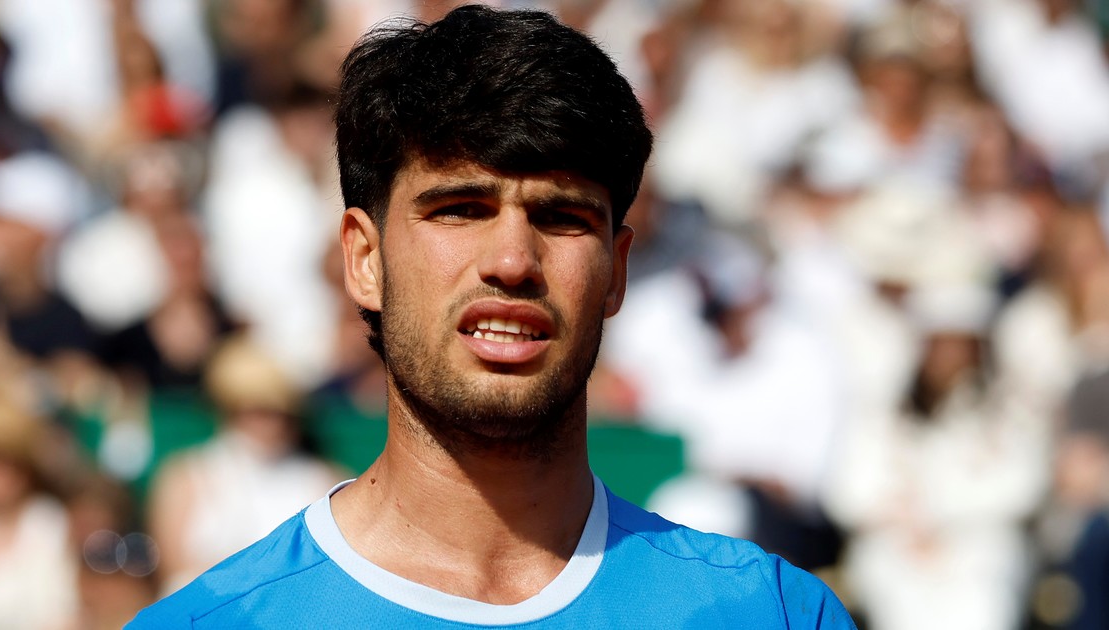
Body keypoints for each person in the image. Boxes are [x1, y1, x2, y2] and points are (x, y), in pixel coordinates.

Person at [128, 6, 855, 628]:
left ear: (618, 271)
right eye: (459, 209)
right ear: (365, 259)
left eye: (561, 217)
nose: (512, 260)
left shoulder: (771, 613)